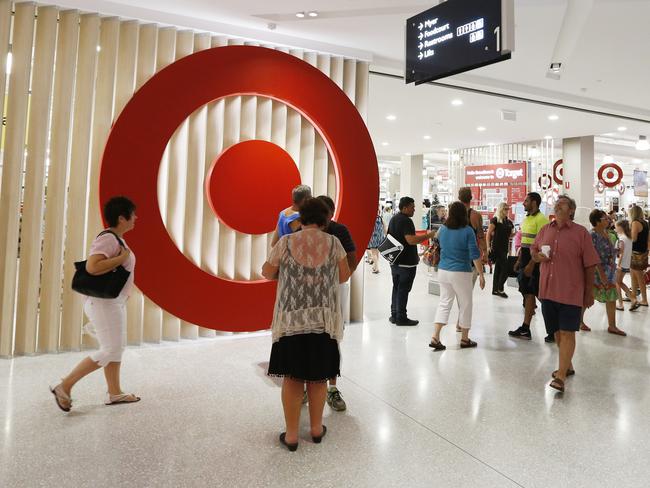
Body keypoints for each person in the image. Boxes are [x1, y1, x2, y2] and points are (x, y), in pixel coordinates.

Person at [263, 198, 351, 451]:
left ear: (300, 218)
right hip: (323, 320)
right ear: (325, 220)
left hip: (292, 319)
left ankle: (291, 435)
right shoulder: (334, 243)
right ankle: (315, 429)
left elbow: (268, 272)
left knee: (292, 377)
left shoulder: (286, 242)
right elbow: (343, 275)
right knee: (318, 377)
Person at [50, 197, 139, 412]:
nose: (136, 218)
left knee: (116, 348)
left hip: (112, 302)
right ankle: (65, 385)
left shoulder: (117, 240)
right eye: (133, 214)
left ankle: (115, 392)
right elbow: (92, 267)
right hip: (103, 303)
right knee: (111, 348)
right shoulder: (109, 239)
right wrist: (121, 258)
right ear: (121, 217)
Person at [531, 195, 600, 393]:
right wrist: (538, 257)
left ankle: (560, 376)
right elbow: (534, 252)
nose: (558, 205)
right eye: (557, 203)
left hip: (571, 291)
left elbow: (589, 265)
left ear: (571, 210)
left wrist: (589, 292)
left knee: (568, 331)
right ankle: (567, 365)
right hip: (548, 290)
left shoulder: (581, 233)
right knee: (557, 332)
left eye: (563, 203)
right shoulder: (545, 230)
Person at [317, 195, 357, 412]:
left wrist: (343, 277)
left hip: (335, 291)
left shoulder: (339, 231)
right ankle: (310, 384)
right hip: (310, 296)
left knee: (332, 339)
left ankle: (331, 388)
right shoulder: (302, 234)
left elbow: (352, 256)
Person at [429, 201, 486, 351]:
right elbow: (475, 254)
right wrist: (481, 274)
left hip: (443, 271)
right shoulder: (467, 231)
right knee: (466, 304)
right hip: (461, 271)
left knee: (444, 302)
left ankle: (435, 337)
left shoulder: (443, 229)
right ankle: (465, 339)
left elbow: (438, 245)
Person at [508, 192, 550, 342]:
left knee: (540, 295)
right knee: (529, 294)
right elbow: (526, 244)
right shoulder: (526, 220)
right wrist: (520, 261)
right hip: (526, 261)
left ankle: (553, 329)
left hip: (535, 264)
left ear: (534, 202)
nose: (523, 203)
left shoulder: (542, 220)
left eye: (526, 201)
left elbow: (542, 247)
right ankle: (527, 328)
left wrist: (532, 264)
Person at [387, 197, 435, 326]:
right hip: (406, 263)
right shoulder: (406, 221)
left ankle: (395, 315)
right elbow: (411, 240)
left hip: (395, 260)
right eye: (412, 207)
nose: (414, 209)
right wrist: (428, 236)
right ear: (405, 208)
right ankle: (401, 317)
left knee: (396, 287)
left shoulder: (393, 219)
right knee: (403, 289)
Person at [583, 209, 626, 335]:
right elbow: (593, 255)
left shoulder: (607, 233)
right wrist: (601, 274)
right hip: (597, 272)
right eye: (605, 219)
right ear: (597, 221)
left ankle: (612, 325)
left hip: (609, 271)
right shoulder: (592, 235)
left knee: (611, 297)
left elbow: (609, 251)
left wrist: (617, 251)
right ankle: (579, 321)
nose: (608, 220)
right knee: (589, 296)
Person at [487, 202, 514, 298]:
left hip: (504, 248)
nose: (507, 210)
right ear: (501, 209)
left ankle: (495, 290)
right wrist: (488, 247)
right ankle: (500, 288)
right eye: (505, 209)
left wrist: (517, 233)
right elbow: (488, 233)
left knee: (498, 269)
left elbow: (509, 235)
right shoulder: (495, 220)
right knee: (506, 269)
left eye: (508, 209)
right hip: (496, 248)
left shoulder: (508, 221)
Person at [615, 220, 638, 311]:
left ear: (621, 227)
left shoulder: (622, 239)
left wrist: (618, 265)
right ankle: (633, 299)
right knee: (620, 282)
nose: (615, 229)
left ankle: (620, 304)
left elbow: (621, 253)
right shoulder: (629, 238)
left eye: (616, 227)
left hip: (620, 264)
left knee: (617, 283)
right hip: (626, 264)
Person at [629, 205, 649, 307]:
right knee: (634, 276)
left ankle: (644, 300)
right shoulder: (645, 223)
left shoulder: (635, 223)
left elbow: (634, 239)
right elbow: (648, 239)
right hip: (643, 252)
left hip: (636, 253)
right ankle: (634, 297)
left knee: (639, 277)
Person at [366, 207, 386, 274]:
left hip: (373, 238)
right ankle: (375, 266)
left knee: (373, 253)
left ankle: (376, 268)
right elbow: (385, 227)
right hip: (380, 238)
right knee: (377, 253)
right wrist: (386, 236)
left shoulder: (370, 218)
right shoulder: (380, 218)